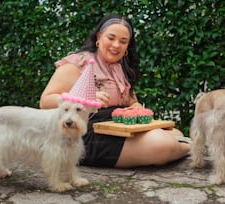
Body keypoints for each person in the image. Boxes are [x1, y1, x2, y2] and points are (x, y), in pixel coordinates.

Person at [40, 14, 190, 168]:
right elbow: (45, 101)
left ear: (127, 46)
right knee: (163, 144)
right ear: (99, 37)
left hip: (119, 128)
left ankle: (182, 147)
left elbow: (132, 102)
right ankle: (192, 148)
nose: (116, 45)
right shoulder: (79, 63)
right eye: (111, 38)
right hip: (86, 132)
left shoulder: (121, 68)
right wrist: (84, 98)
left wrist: (137, 109)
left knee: (176, 134)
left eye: (123, 41)